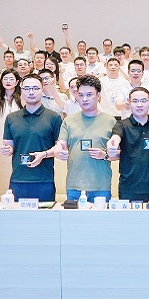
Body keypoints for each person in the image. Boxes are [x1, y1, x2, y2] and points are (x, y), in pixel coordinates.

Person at [55, 75, 118, 203]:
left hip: (101, 186)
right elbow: (60, 145)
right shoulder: (68, 121)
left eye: (89, 95)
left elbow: (121, 153)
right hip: (74, 185)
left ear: (98, 95)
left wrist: (105, 155)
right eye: (81, 95)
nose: (84, 99)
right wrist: (59, 152)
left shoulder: (111, 121)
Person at [1, 74, 63, 202]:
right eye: (27, 88)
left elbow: (60, 148)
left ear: (42, 91)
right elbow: (9, 146)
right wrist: (7, 150)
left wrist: (44, 154)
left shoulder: (54, 118)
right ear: (21, 91)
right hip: (18, 180)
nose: (31, 92)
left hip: (44, 180)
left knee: (45, 215)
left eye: (35, 88)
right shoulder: (11, 118)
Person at [107, 87, 149, 202]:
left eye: (143, 101)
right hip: (128, 188)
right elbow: (115, 139)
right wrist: (112, 146)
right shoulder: (122, 125)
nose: (139, 105)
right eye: (135, 101)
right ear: (129, 103)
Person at [0, 69, 21, 142]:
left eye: (11, 79)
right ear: (1, 81)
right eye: (5, 79)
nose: (8, 81)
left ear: (16, 82)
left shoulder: (22, 97)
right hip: (0, 133)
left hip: (19, 132)